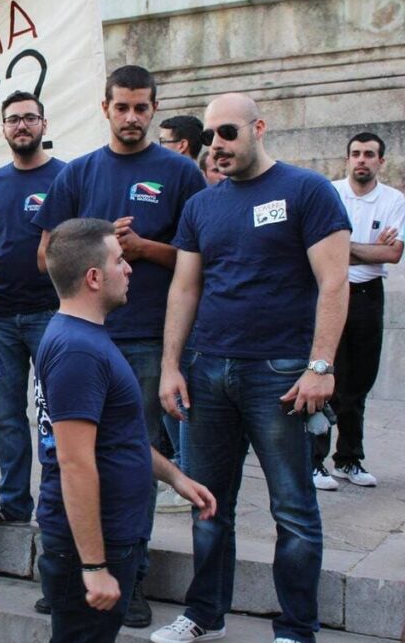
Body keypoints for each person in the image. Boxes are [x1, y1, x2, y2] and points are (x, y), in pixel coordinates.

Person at [153, 93, 350, 643]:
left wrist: (320, 366)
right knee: (206, 502)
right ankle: (204, 615)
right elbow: (184, 288)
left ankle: (296, 629)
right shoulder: (201, 205)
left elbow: (334, 282)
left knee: (293, 508)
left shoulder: (306, 190)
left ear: (259, 127)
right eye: (209, 135)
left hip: (280, 373)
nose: (217, 144)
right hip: (207, 369)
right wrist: (171, 366)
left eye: (228, 132)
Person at [33, 65, 207, 627]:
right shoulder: (79, 172)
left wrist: (142, 248)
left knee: (134, 450)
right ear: (104, 107)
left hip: (151, 335)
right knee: (67, 449)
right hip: (85, 335)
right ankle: (68, 567)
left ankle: (130, 576)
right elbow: (46, 255)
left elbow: (201, 260)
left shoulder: (180, 173)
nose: (132, 117)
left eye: (141, 108)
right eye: (122, 107)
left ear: (154, 109)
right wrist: (98, 247)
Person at [37, 218, 215, 642]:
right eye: (119, 261)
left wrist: (175, 477)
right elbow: (75, 463)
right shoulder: (78, 350)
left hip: (112, 534)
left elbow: (118, 437)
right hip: (94, 541)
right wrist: (94, 565)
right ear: (93, 278)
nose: (130, 267)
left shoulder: (86, 339)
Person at [0, 90, 64, 531]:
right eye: (13, 119)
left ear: (44, 124)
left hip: (53, 314)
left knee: (56, 414)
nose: (21, 125)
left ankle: (58, 503)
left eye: (29, 118)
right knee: (7, 417)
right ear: (3, 128)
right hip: (0, 317)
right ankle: (13, 502)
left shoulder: (66, 177)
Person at [312, 132, 403, 490]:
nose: (361, 159)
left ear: (381, 161)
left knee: (359, 381)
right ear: (347, 159)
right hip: (330, 290)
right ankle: (314, 462)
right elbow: (316, 248)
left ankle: (349, 459)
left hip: (367, 294)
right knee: (323, 374)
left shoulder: (394, 200)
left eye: (369, 154)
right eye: (356, 154)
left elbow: (392, 254)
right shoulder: (329, 193)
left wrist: (341, 247)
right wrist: (366, 250)